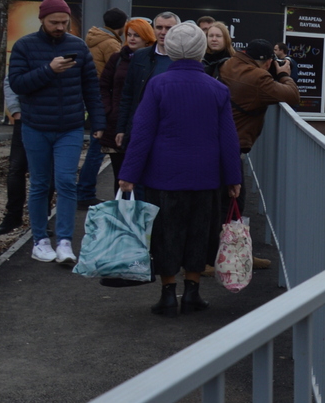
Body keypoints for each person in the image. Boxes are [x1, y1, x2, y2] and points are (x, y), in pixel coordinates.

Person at [117, 22, 241, 317]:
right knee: (200, 232)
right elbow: (228, 137)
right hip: (206, 175)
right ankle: (193, 293)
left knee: (166, 232)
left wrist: (129, 174)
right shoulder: (217, 89)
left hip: (164, 174)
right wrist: (233, 178)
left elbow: (142, 132)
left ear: (170, 50)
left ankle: (168, 294)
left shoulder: (157, 85)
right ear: (201, 51)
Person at [8, 0, 105, 265]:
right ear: (42, 20)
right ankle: (40, 240)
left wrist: (98, 122)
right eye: (54, 22)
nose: (60, 26)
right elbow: (17, 84)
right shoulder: (25, 46)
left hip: (70, 127)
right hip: (36, 125)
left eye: (64, 22)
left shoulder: (79, 47)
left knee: (65, 181)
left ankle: (64, 242)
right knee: (40, 184)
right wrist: (49, 70)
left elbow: (91, 89)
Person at [220, 39, 299, 269]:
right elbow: (292, 96)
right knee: (232, 203)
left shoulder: (230, 64)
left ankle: (228, 254)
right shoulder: (258, 77)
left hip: (220, 139)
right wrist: (284, 74)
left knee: (221, 203)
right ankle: (230, 257)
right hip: (233, 144)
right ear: (266, 62)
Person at [75, 7, 130, 206]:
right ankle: (85, 192)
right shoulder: (111, 45)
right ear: (123, 26)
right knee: (99, 148)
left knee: (96, 146)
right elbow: (118, 73)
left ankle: (84, 190)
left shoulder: (93, 38)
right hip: (102, 100)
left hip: (93, 97)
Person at [116, 12, 181, 148]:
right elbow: (128, 95)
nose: (163, 32)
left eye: (168, 28)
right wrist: (121, 129)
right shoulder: (140, 56)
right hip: (142, 127)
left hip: (173, 129)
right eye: (159, 27)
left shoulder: (185, 59)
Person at [102, 19, 154, 165]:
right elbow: (103, 86)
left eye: (136, 35)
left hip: (143, 121)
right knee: (119, 173)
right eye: (129, 34)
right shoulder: (117, 58)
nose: (131, 38)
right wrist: (108, 110)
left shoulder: (154, 60)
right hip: (116, 121)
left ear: (146, 37)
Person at [0, 72, 28, 235]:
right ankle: (13, 215)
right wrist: (15, 110)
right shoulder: (24, 47)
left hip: (51, 119)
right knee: (16, 168)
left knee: (45, 173)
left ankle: (40, 218)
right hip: (24, 118)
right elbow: (11, 78)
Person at [85, 8, 126, 75]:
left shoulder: (95, 36)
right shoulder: (111, 43)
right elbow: (118, 69)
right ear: (122, 24)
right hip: (103, 83)